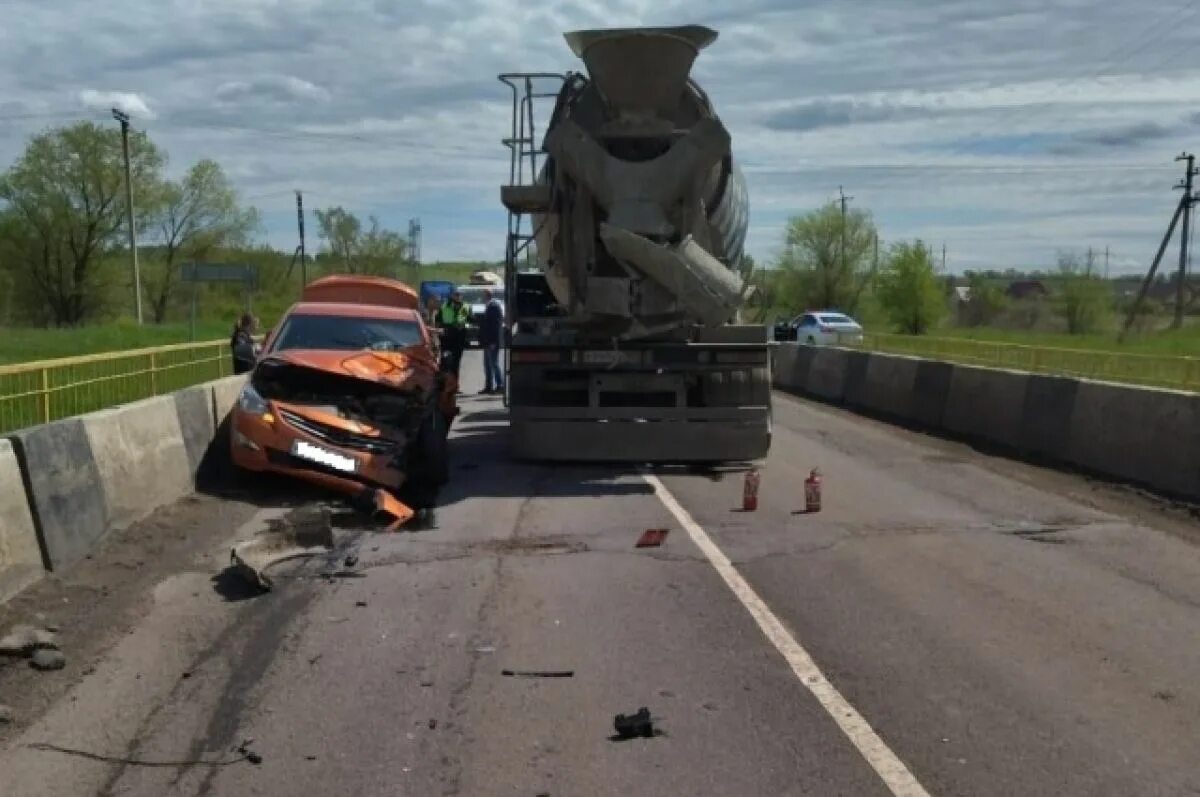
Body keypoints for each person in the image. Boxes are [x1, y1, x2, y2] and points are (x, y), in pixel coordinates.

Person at [436, 290, 470, 382]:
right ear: (452, 296)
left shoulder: (466, 307)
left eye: (459, 295)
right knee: (445, 362)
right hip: (447, 339)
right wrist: (439, 333)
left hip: (459, 339)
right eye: (456, 295)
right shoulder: (445, 306)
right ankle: (444, 383)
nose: (458, 297)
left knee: (456, 363)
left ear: (462, 297)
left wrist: (465, 325)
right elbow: (438, 321)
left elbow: (471, 320)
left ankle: (454, 385)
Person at [479, 289, 505, 395]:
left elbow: (495, 326)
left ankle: (500, 386)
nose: (482, 298)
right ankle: (488, 386)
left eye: (483, 295)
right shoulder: (489, 306)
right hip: (487, 341)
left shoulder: (493, 307)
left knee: (493, 364)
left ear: (487, 296)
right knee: (487, 365)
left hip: (492, 341)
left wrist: (493, 341)